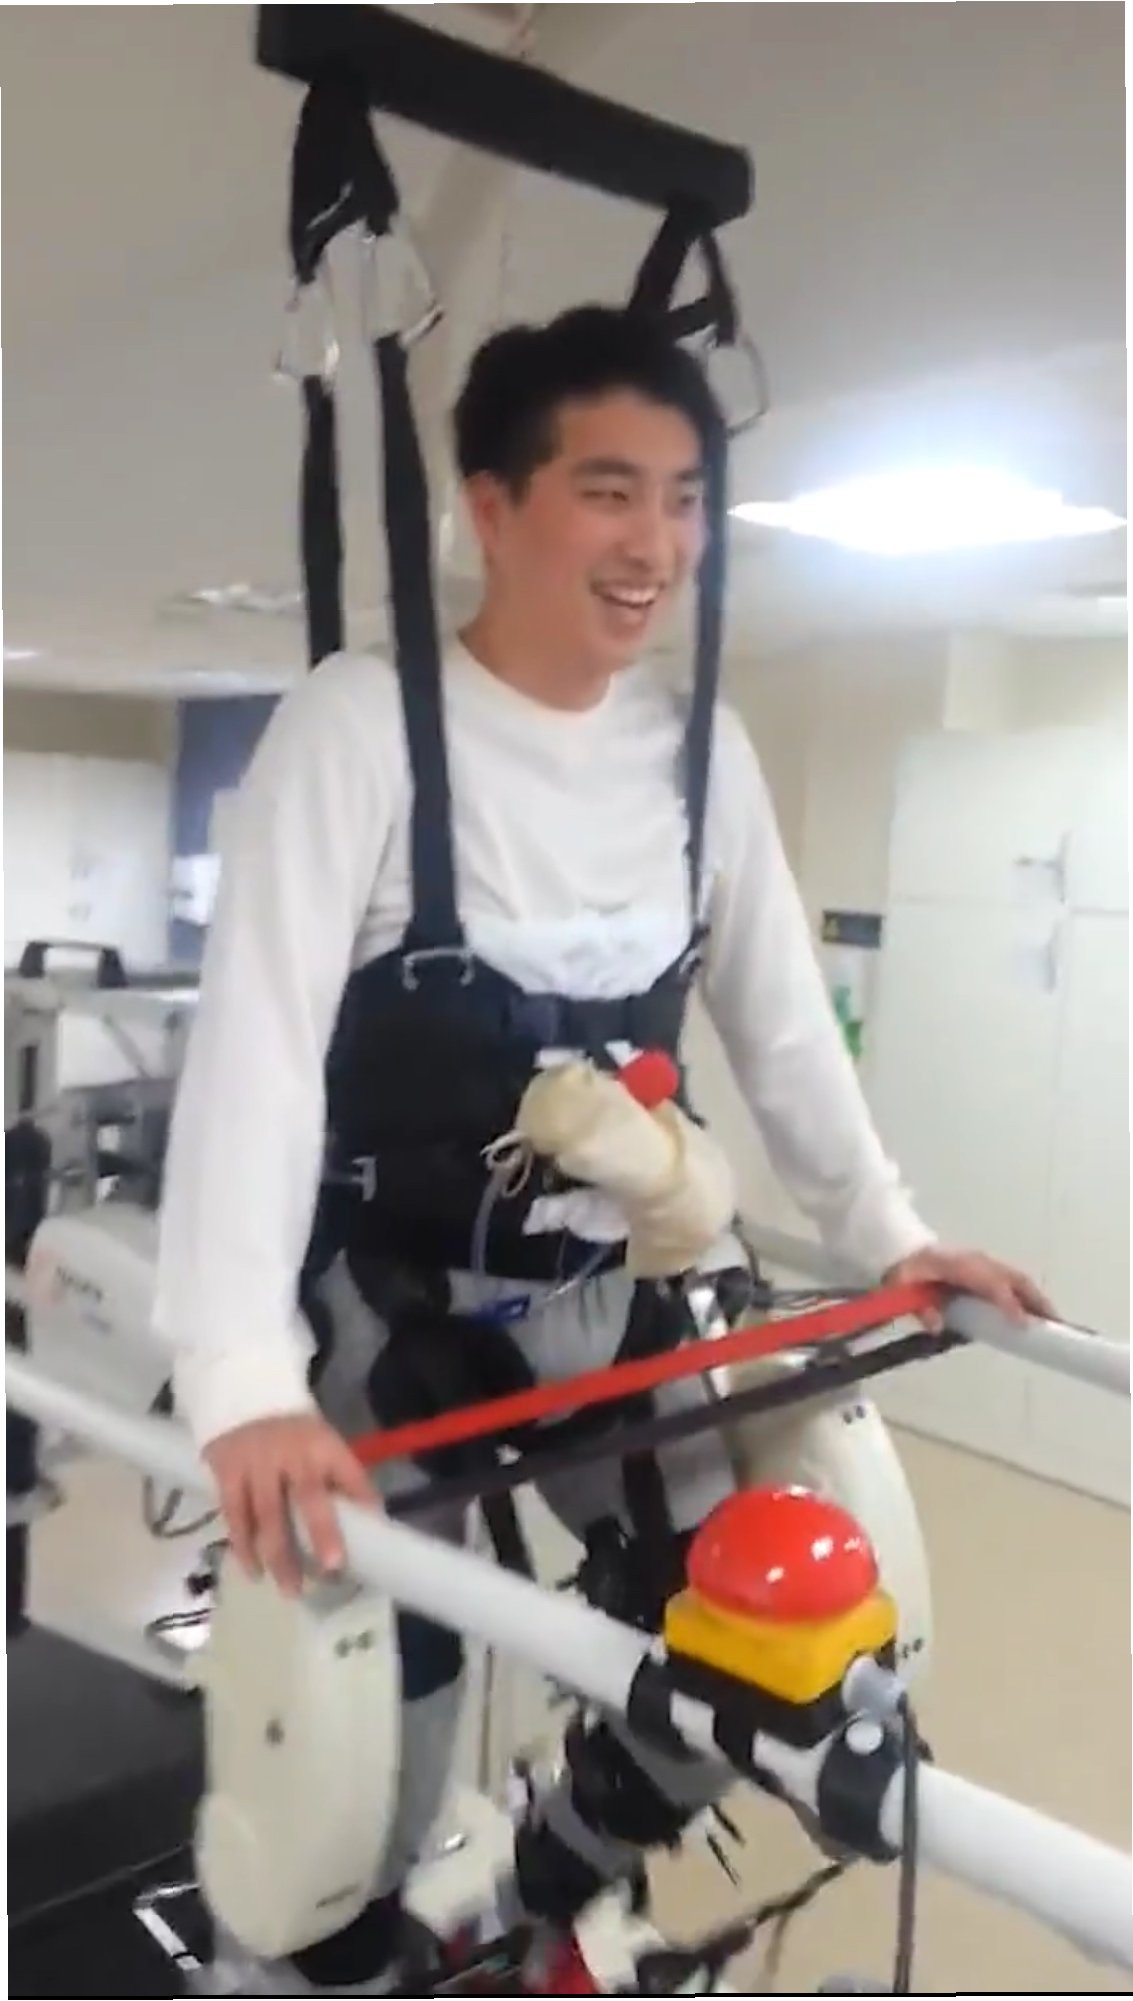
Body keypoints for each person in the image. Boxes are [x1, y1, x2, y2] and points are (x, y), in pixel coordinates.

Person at [154, 305, 1050, 1993]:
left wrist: (888, 1234)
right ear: (492, 507)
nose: (656, 545)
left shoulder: (702, 755)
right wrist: (240, 1378)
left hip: (603, 1294)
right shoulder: (360, 727)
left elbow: (781, 1027)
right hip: (383, 1306)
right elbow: (255, 1054)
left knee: (770, 1656)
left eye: (686, 499)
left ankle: (534, 1890)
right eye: (609, 490)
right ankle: (316, 1952)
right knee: (362, 1747)